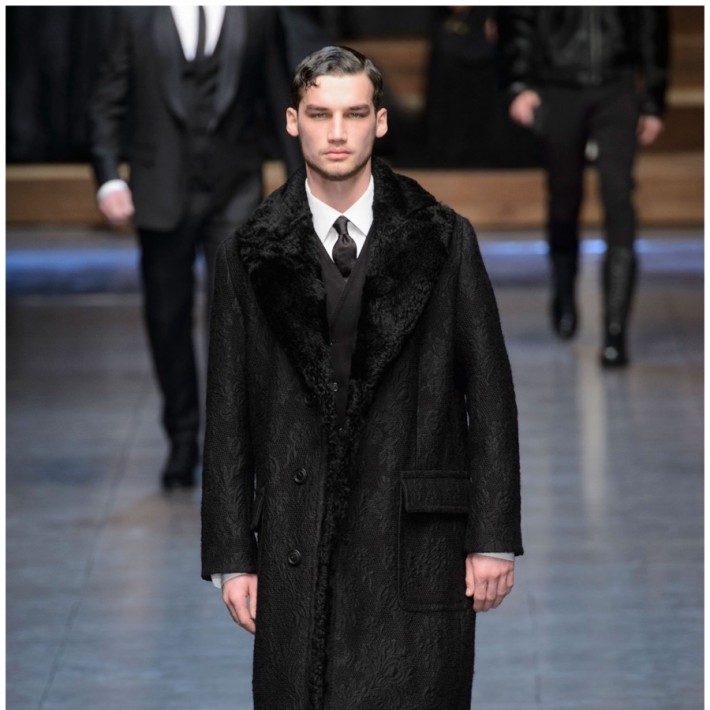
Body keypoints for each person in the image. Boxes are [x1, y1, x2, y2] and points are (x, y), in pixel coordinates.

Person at [201, 46, 523, 709]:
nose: (338, 132)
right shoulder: (250, 251)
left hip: (416, 536)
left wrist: (493, 537)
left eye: (354, 114)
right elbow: (228, 409)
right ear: (293, 121)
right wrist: (232, 555)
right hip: (296, 533)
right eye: (321, 114)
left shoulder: (443, 238)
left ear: (380, 121)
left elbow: (489, 394)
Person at [88, 7, 301, 490]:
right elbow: (108, 98)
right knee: (167, 318)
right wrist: (107, 177)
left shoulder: (257, 13)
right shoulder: (137, 16)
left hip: (235, 187)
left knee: (236, 318)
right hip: (159, 186)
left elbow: (278, 97)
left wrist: (301, 187)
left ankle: (230, 445)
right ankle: (182, 437)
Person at [499, 8, 669, 367]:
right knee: (564, 194)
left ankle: (615, 330)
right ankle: (563, 287)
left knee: (619, 195)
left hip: (617, 84)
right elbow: (518, 14)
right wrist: (518, 82)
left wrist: (653, 98)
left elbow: (651, 20)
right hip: (557, 85)